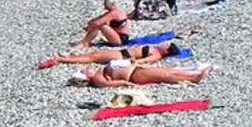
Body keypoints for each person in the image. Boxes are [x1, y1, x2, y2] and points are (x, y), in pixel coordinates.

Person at [39, 41, 185, 69]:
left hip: (121, 56)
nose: (165, 44)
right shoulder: (157, 50)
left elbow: (141, 62)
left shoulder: (157, 55)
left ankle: (61, 60)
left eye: (167, 46)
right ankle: (66, 58)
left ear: (167, 51)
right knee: (94, 55)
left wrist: (132, 59)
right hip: (122, 53)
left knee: (92, 58)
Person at [81, 59, 212, 88]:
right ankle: (194, 77)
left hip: (135, 70)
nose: (87, 69)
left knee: (166, 71)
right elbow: (114, 83)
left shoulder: (98, 73)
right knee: (163, 76)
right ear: (87, 77)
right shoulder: (97, 79)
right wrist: (129, 84)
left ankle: (194, 73)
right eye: (85, 71)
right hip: (133, 75)